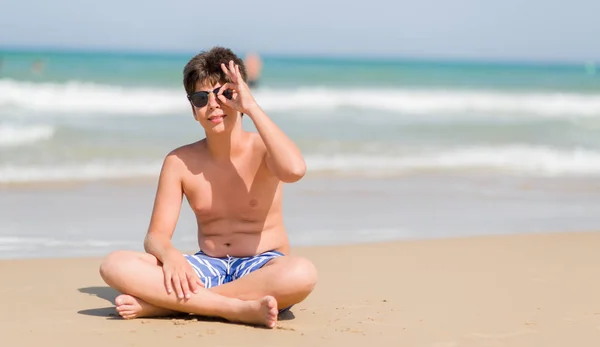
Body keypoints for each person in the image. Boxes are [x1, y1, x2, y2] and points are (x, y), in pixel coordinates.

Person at [99, 47, 317, 329]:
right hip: (207, 266)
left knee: (301, 273)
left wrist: (250, 106)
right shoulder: (179, 161)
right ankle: (232, 308)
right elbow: (156, 237)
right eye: (201, 98)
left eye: (224, 94)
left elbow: (295, 170)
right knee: (115, 265)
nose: (213, 105)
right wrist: (171, 256)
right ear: (194, 110)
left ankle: (166, 306)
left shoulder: (264, 148)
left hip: (261, 266)